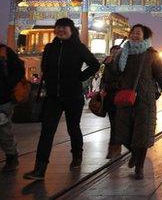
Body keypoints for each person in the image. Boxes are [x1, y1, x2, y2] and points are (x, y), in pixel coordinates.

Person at [24, 18, 100, 180]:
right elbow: (44, 67)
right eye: (57, 27)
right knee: (46, 132)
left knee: (73, 128)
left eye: (64, 27)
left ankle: (77, 156)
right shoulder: (50, 47)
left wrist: (79, 77)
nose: (60, 30)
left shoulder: (79, 48)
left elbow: (94, 64)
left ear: (71, 29)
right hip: (53, 97)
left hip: (73, 96)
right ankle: (39, 169)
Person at [113, 24, 162, 180]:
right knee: (124, 133)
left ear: (145, 36)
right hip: (126, 98)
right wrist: (111, 61)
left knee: (142, 134)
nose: (135, 35)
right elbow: (115, 73)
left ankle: (139, 167)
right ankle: (134, 153)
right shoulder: (122, 53)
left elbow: (161, 76)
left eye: (138, 33)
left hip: (145, 99)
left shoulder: (151, 55)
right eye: (133, 33)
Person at [0, 44, 25, 173]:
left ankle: (11, 156)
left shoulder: (4, 51)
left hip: (2, 98)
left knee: (3, 131)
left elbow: (19, 69)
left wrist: (7, 85)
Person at [100, 45, 122, 159]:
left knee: (116, 124)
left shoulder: (122, 64)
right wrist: (102, 89)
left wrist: (107, 87)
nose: (114, 54)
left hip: (120, 98)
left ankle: (114, 147)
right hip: (109, 99)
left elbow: (121, 81)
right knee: (114, 124)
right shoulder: (108, 63)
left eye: (117, 53)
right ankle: (115, 147)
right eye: (113, 52)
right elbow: (103, 79)